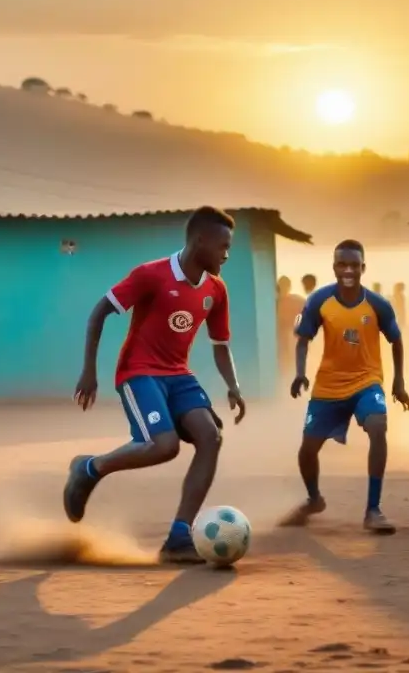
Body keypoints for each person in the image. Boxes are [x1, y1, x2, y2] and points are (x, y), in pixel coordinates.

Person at [68, 206, 247, 564]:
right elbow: (99, 312)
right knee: (164, 446)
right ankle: (90, 468)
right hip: (139, 372)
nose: (227, 253)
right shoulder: (151, 275)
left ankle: (179, 536)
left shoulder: (216, 289)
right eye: (223, 246)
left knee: (210, 436)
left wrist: (233, 385)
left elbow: (220, 345)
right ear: (200, 241)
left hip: (179, 375)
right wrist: (90, 371)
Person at [281, 239, 409, 534]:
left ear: (363, 268)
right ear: (334, 267)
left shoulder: (379, 304)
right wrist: (300, 373)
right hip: (328, 387)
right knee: (307, 450)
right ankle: (314, 500)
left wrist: (399, 380)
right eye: (343, 264)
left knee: (378, 426)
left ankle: (373, 510)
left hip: (367, 382)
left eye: (355, 264)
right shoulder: (317, 300)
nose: (349, 270)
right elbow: (303, 339)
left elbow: (397, 340)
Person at [276, 276, 305, 378]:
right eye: (281, 286)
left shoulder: (297, 301)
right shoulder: (274, 302)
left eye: (285, 285)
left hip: (292, 339)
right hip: (281, 342)